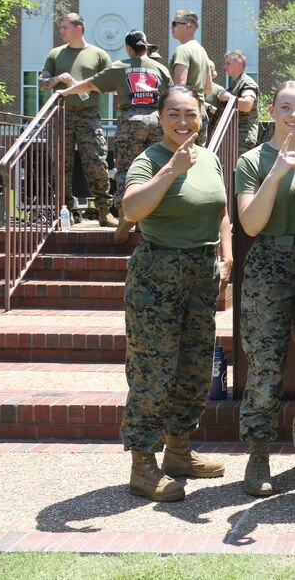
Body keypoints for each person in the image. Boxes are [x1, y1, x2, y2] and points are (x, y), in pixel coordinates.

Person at [119, 85, 232, 502]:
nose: (183, 122)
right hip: (158, 270)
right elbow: (131, 210)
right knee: (153, 370)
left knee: (195, 366)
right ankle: (142, 465)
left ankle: (179, 451)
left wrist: (228, 256)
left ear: (202, 115)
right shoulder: (148, 160)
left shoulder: (211, 157)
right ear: (161, 118)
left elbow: (220, 211)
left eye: (190, 114)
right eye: (174, 114)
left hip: (202, 272)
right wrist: (170, 170)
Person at [234, 81, 295, 498]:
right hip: (268, 263)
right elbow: (251, 224)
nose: (294, 115)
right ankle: (258, 454)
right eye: (286, 107)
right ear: (271, 110)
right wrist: (276, 172)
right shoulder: (252, 160)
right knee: (265, 364)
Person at [52, 30, 172, 244]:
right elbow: (171, 96)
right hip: (157, 120)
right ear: (146, 47)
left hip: (131, 121)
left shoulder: (120, 67)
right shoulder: (160, 68)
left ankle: (126, 219)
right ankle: (156, 219)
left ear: (128, 48)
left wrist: (65, 92)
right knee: (158, 169)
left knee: (127, 170)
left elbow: (90, 84)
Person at [39, 12, 117, 226]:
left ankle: (104, 211)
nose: (61, 31)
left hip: (88, 114)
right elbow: (42, 83)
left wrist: (86, 84)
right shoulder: (55, 54)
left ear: (79, 28)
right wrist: (56, 79)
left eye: (65, 27)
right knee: (60, 165)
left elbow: (110, 84)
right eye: (61, 27)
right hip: (61, 114)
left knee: (96, 161)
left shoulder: (98, 54)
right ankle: (66, 211)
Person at [169, 10, 214, 145]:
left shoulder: (182, 50)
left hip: (184, 113)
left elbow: (180, 87)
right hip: (199, 111)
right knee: (198, 157)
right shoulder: (202, 51)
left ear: (188, 26)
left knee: (180, 156)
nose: (172, 27)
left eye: (174, 23)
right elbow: (208, 89)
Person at [211, 50, 260, 153]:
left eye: (228, 63)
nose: (224, 67)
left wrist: (229, 97)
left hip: (243, 139)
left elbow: (247, 105)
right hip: (233, 138)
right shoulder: (235, 85)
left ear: (239, 63)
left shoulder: (247, 83)